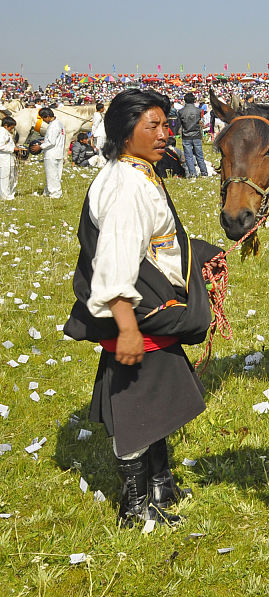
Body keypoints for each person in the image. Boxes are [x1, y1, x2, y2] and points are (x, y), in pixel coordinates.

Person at [63, 89, 214, 530]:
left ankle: (161, 484)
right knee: (136, 409)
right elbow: (113, 263)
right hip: (136, 315)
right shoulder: (128, 185)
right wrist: (127, 329)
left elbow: (152, 244)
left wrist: (197, 253)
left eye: (166, 125)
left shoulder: (135, 172)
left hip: (147, 304)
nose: (165, 134)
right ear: (125, 131)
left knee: (162, 400)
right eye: (154, 125)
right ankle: (136, 509)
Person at [177, 92, 208, 178]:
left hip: (186, 135)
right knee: (199, 155)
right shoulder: (199, 111)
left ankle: (192, 173)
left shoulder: (181, 112)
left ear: (185, 100)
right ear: (194, 100)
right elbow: (202, 122)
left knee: (188, 156)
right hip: (196, 135)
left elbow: (180, 124)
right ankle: (204, 172)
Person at [38, 107, 65, 198]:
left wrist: (40, 146)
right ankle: (48, 191)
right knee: (56, 174)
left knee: (51, 174)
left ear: (48, 116)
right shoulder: (59, 123)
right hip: (58, 152)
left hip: (51, 153)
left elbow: (51, 142)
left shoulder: (53, 125)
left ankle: (55, 193)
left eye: (44, 118)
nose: (44, 120)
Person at [0, 116, 16, 200]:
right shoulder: (2, 132)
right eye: (11, 127)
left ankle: (9, 193)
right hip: (3, 158)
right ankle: (4, 195)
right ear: (6, 125)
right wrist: (13, 149)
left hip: (9, 158)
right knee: (4, 177)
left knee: (11, 176)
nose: (12, 129)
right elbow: (1, 146)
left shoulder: (6, 132)